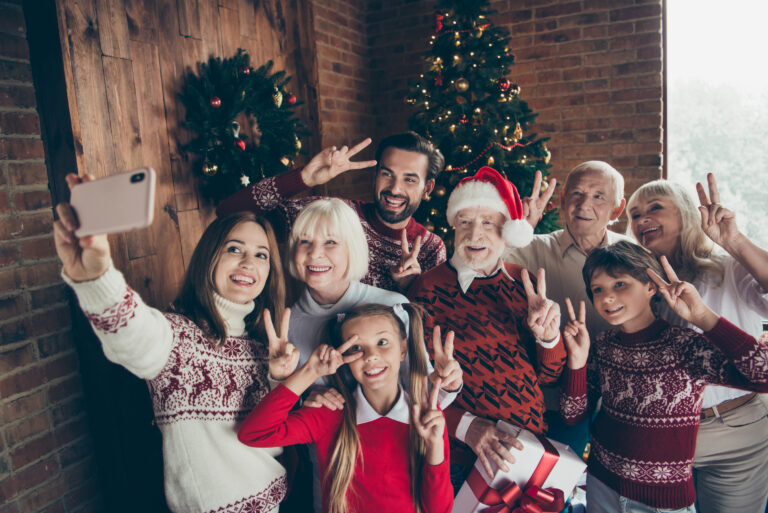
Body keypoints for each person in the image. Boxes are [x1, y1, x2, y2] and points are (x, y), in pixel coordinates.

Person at [53, 174, 287, 513]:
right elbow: (131, 333)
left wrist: (280, 380)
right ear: (209, 257)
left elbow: (273, 435)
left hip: (278, 501)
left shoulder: (263, 347)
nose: (249, 263)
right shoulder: (179, 339)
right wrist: (96, 277)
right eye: (234, 249)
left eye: (261, 255)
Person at [560, 241, 768, 513]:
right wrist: (577, 362)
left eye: (620, 284)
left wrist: (704, 316)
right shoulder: (603, 344)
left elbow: (763, 375)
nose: (607, 297)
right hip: (600, 484)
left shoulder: (684, 345)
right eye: (598, 289)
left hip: (662, 502)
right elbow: (572, 415)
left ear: (650, 286)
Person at [408, 167, 567, 489]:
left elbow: (550, 377)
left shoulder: (528, 283)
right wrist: (467, 427)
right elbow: (409, 385)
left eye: (487, 223)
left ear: (507, 230)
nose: (474, 234)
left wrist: (548, 338)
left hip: (529, 453)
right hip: (461, 459)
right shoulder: (425, 289)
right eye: (464, 222)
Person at [627, 175, 768, 513]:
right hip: (662, 437)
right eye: (633, 214)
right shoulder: (636, 288)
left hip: (736, 432)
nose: (641, 219)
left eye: (654, 208)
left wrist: (733, 241)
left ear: (686, 214)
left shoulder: (728, 269)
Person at [238, 303, 454, 513]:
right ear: (346, 358)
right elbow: (254, 434)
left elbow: (439, 509)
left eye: (382, 342)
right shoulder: (329, 413)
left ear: (403, 349)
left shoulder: (427, 416)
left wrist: (434, 447)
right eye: (357, 348)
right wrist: (310, 372)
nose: (371, 356)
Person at [505, 160, 631, 455]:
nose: (584, 204)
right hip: (554, 404)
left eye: (598, 196)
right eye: (576, 193)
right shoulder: (531, 248)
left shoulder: (633, 255)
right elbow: (481, 267)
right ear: (563, 201)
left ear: (617, 209)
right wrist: (522, 229)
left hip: (618, 405)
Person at [216, 133, 446, 292]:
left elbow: (433, 327)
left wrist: (411, 288)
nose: (395, 188)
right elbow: (228, 211)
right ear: (375, 176)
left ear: (427, 188)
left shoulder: (430, 249)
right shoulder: (335, 215)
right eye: (387, 174)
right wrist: (303, 179)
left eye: (409, 179)